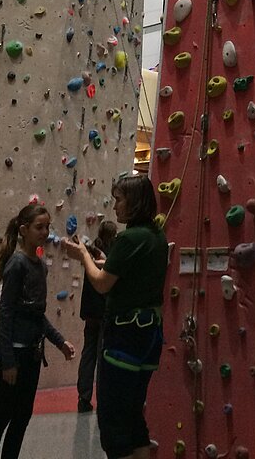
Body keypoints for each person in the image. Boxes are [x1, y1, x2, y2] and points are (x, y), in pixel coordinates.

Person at [65, 172, 168, 459]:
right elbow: (130, 273)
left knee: (113, 423)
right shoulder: (157, 237)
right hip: (150, 336)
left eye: (119, 200)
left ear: (134, 202)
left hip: (124, 336)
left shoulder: (128, 238)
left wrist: (83, 255)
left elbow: (101, 283)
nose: (115, 206)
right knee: (135, 418)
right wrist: (106, 261)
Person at [0, 202, 75, 459]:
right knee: (2, 415)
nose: (44, 232)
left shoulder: (40, 266)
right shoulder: (17, 265)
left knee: (22, 416)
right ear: (23, 229)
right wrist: (7, 360)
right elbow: (6, 313)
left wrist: (60, 342)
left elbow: (36, 315)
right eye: (38, 227)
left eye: (47, 227)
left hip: (32, 354)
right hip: (14, 355)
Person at [76, 219, 118, 413]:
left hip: (91, 312)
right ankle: (102, 396)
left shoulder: (92, 252)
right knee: (103, 355)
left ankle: (83, 397)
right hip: (104, 312)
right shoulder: (112, 255)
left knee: (88, 354)